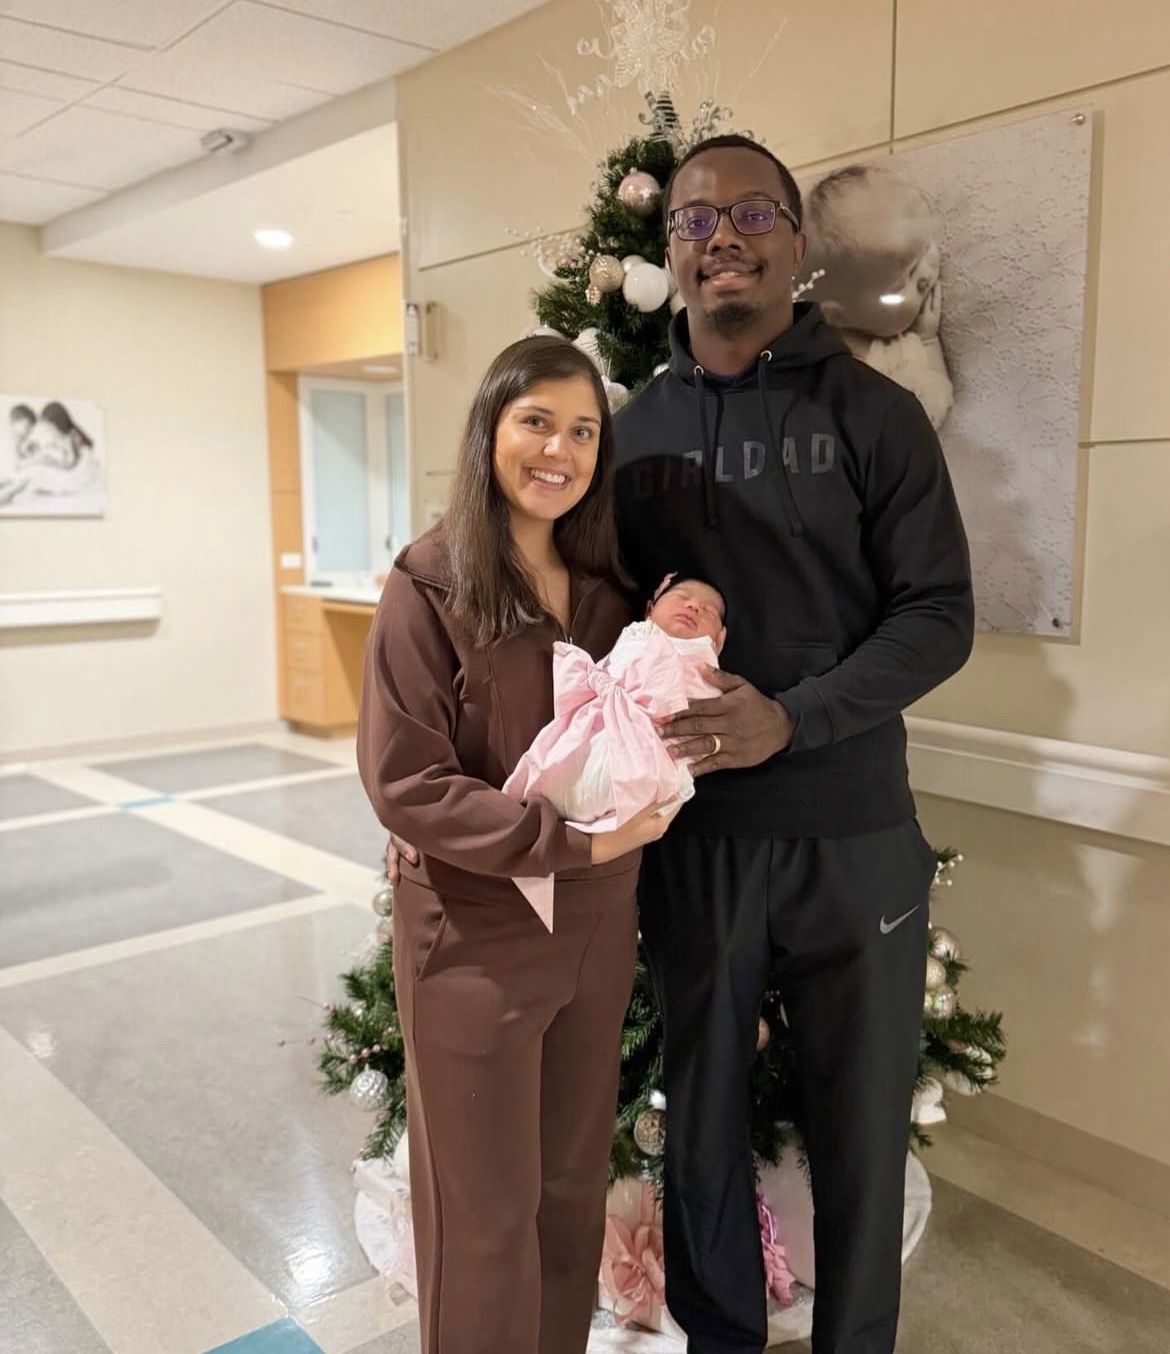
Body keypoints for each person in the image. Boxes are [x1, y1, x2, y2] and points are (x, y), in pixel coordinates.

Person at [611, 134, 975, 1354]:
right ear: (671, 251)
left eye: (752, 213)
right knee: (701, 1129)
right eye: (695, 219)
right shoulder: (632, 435)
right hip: (696, 843)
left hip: (854, 836)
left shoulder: (878, 416)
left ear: (796, 241)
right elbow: (580, 622)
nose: (723, 236)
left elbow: (939, 614)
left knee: (860, 1131)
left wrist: (794, 714)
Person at [356, 335, 678, 1354]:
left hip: (594, 929)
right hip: (474, 932)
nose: (559, 451)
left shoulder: (607, 587)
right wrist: (569, 843)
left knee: (570, 1189)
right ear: (489, 430)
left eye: (582, 431)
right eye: (536, 421)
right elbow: (407, 781)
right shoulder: (429, 584)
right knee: (483, 1217)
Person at [502, 575, 726, 924]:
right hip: (600, 733)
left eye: (709, 611)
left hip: (646, 774)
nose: (694, 606)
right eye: (682, 596)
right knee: (565, 766)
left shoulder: (705, 667)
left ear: (719, 639)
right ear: (650, 610)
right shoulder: (637, 636)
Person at [801, 164, 954, 428]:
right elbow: (931, 413)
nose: (926, 275)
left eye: (925, 249)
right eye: (901, 285)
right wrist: (927, 342)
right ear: (838, 315)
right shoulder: (877, 368)